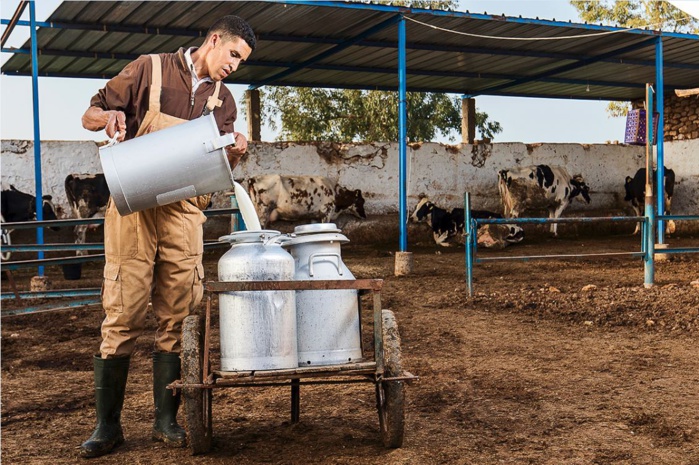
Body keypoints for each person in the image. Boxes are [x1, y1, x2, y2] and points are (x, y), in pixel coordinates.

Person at [78, 15, 255, 459]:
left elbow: (219, 167)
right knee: (123, 312)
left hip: (184, 211)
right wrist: (109, 116)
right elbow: (89, 113)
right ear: (214, 40)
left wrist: (234, 151)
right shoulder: (149, 68)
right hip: (133, 206)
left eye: (241, 61)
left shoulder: (224, 100)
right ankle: (107, 426)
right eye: (233, 54)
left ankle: (166, 420)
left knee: (179, 314)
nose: (234, 65)